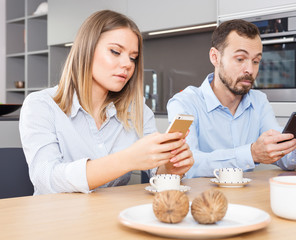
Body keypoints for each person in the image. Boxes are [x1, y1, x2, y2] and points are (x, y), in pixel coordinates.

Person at [19, 10, 193, 195]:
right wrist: (128, 159)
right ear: (87, 49)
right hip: (57, 219)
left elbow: (157, 173)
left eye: (133, 57)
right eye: (115, 52)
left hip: (111, 216)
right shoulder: (41, 105)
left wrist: (170, 168)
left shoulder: (138, 111)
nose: (127, 64)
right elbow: (47, 179)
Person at [167, 19, 296, 178]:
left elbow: (287, 160)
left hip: (245, 199)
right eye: (240, 59)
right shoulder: (184, 103)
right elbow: (186, 165)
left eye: (256, 61)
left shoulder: (259, 101)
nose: (250, 70)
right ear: (215, 57)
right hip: (201, 201)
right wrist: (251, 154)